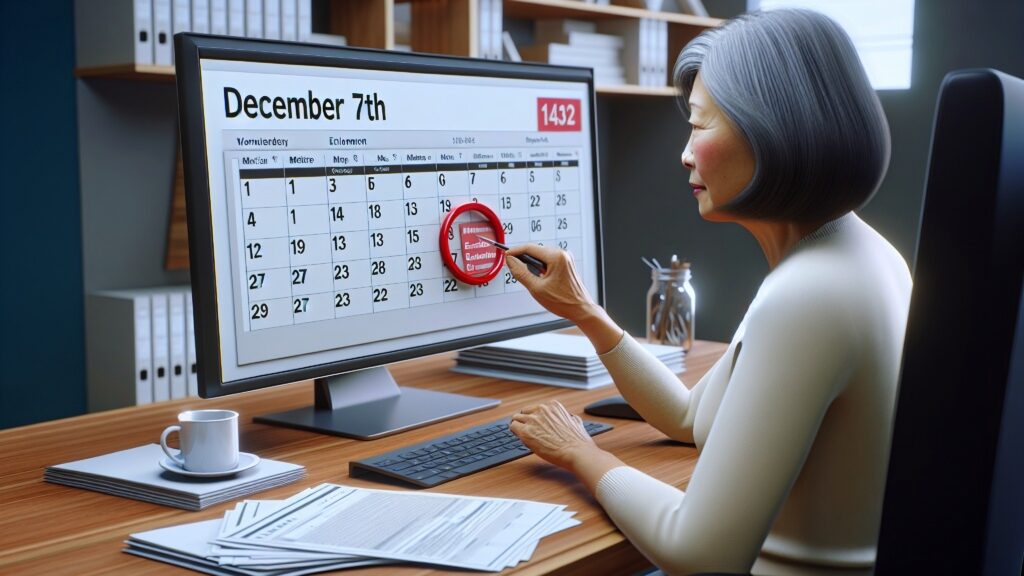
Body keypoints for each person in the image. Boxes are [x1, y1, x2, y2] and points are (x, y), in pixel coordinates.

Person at [506, 9, 912, 576]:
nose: (685, 153)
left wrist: (583, 455)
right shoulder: (852, 254)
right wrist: (584, 312)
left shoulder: (809, 296)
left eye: (699, 126)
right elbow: (690, 416)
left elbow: (702, 555)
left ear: (772, 128)